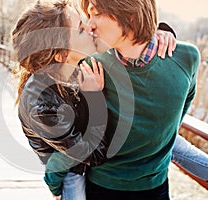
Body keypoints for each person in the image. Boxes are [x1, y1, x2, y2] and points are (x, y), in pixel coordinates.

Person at [12, 1, 203, 200]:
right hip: (70, 160)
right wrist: (93, 97)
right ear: (61, 55)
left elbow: (134, 31)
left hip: (92, 140)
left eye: (89, 18)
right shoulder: (42, 106)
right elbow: (90, 152)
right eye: (80, 28)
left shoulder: (81, 60)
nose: (90, 27)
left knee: (174, 143)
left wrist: (159, 31)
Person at [77, 0, 201, 199]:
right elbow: (77, 135)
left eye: (96, 14)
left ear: (129, 15)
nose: (89, 24)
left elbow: (184, 103)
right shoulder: (92, 66)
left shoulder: (187, 58)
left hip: (156, 188)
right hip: (101, 188)